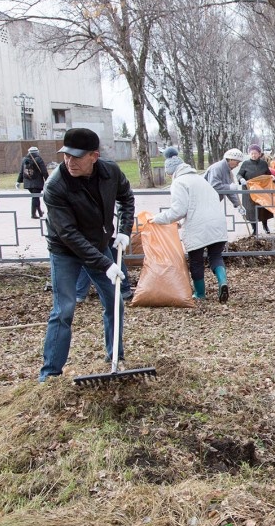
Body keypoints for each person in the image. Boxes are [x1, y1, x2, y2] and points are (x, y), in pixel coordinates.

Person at [39, 128, 134, 382]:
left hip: (98, 242)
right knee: (64, 309)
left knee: (115, 301)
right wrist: (106, 263)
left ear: (94, 156)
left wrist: (124, 230)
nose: (70, 162)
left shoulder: (110, 172)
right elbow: (69, 234)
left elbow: (126, 197)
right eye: (66, 156)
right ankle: (50, 374)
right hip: (65, 251)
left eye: (76, 157)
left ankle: (116, 358)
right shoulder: (55, 186)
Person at [153, 161, 230, 302]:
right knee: (216, 256)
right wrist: (182, 223)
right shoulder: (201, 180)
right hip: (218, 224)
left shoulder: (179, 183)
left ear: (172, 172)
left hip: (198, 228)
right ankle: (223, 282)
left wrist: (157, 219)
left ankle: (200, 294)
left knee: (196, 261)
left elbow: (179, 210)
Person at [237, 144, 272, 234]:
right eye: (251, 153)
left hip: (262, 190)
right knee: (251, 210)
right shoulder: (246, 164)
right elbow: (239, 174)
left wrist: (272, 177)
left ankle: (265, 226)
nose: (253, 155)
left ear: (259, 154)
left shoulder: (263, 164)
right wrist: (241, 179)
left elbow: (268, 174)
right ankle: (254, 229)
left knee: (263, 208)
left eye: (255, 153)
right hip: (249, 191)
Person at [205, 148, 245, 216]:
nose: (237, 165)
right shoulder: (217, 168)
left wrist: (238, 205)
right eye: (237, 162)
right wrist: (229, 187)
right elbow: (214, 186)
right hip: (205, 203)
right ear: (230, 159)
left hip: (212, 203)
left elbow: (229, 192)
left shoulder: (228, 171)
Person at [17, 146, 47, 218]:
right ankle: (33, 214)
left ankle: (40, 212)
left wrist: (18, 181)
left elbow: (21, 171)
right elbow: (44, 171)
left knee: (35, 197)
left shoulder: (24, 159)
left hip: (27, 183)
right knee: (35, 198)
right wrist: (47, 180)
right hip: (37, 182)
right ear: (37, 152)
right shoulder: (38, 159)